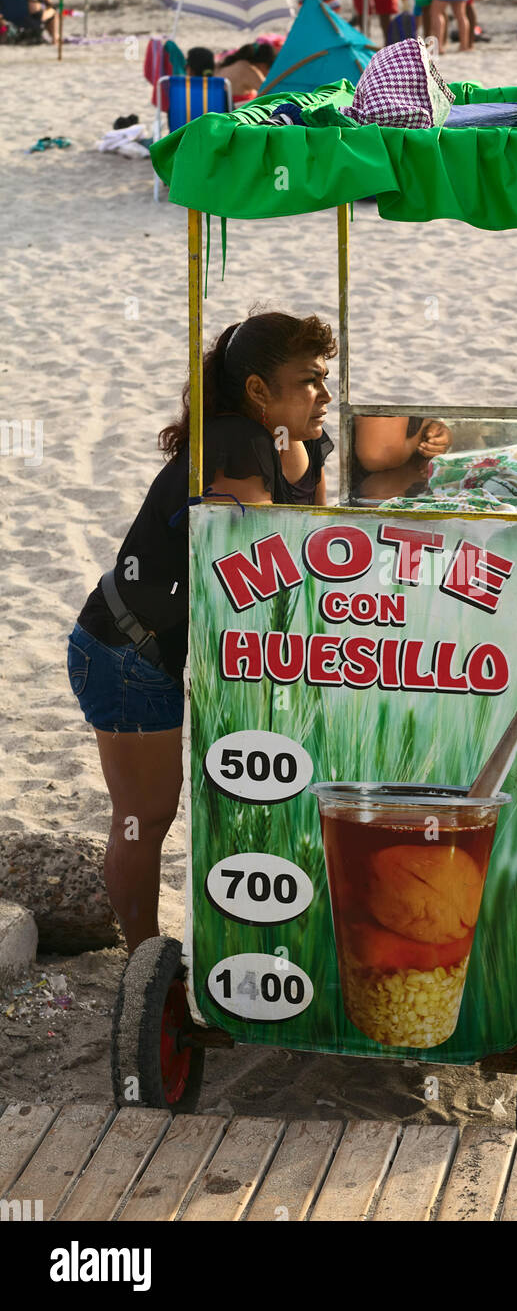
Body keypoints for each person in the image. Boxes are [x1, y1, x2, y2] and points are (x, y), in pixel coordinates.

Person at [67, 312, 335, 954]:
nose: (325, 395)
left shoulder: (310, 443)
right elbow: (259, 570)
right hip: (125, 649)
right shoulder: (235, 444)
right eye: (309, 382)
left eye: (326, 378)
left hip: (175, 643)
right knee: (144, 816)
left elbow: (320, 555)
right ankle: (143, 963)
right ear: (257, 392)